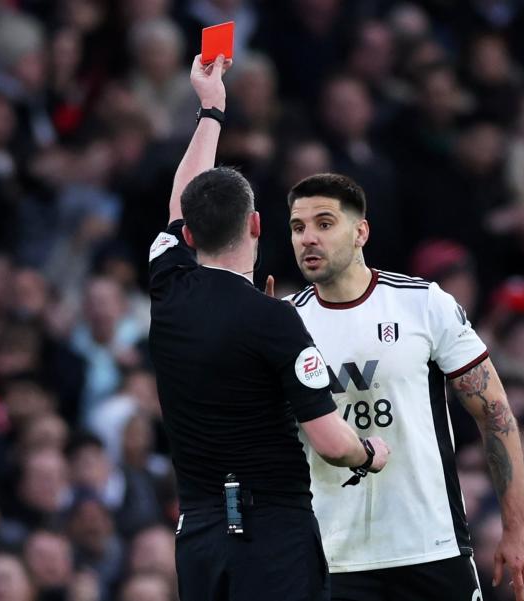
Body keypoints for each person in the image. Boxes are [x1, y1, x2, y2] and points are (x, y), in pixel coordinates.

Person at [146, 54, 390, 601]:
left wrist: (211, 110)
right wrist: (370, 452)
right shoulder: (275, 320)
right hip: (272, 535)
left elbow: (178, 199)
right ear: (257, 225)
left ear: (188, 234)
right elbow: (330, 442)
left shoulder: (168, 288)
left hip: (201, 535)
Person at [277, 173, 524, 601]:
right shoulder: (282, 323)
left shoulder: (423, 304)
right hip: (331, 556)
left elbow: (495, 415)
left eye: (324, 224)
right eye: (297, 227)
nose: (308, 238)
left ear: (361, 231)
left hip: (430, 546)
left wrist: (518, 525)